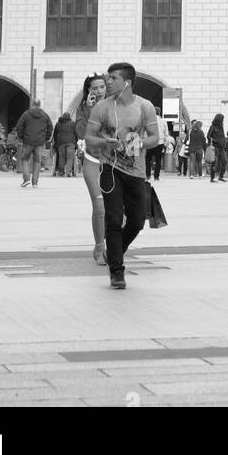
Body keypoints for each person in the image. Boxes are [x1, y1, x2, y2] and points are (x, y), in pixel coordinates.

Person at [83, 62, 159, 290]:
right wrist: (105, 142)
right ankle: (117, 272)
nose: (108, 82)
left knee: (136, 221)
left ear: (126, 82)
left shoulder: (145, 107)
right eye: (108, 77)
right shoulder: (102, 108)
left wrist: (139, 141)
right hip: (110, 170)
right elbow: (88, 138)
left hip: (136, 172)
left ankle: (114, 251)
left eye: (113, 78)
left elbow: (154, 137)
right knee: (113, 219)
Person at [75, 73, 108, 265]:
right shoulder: (83, 108)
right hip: (92, 160)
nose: (98, 91)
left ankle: (113, 244)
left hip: (114, 162)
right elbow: (81, 132)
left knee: (117, 209)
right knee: (100, 207)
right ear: (88, 90)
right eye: (94, 88)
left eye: (102, 87)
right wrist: (88, 109)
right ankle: (99, 247)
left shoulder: (115, 104)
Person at [15, 98, 54, 188]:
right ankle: (35, 183)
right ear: (40, 105)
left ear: (32, 104)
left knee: (24, 159)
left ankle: (26, 179)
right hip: (40, 142)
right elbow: (50, 127)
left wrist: (21, 137)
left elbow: (19, 125)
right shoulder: (45, 115)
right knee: (37, 161)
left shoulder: (26, 114)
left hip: (28, 141)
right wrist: (46, 138)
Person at [145, 113, 166, 182]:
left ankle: (147, 175)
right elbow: (166, 133)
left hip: (150, 141)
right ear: (159, 113)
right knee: (158, 160)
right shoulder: (163, 121)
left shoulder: (148, 120)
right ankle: (156, 177)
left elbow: (145, 131)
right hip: (159, 142)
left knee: (147, 159)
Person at [207, 113, 228, 183]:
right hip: (215, 148)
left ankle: (221, 177)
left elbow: (222, 136)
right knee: (214, 162)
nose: (223, 121)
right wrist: (216, 141)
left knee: (224, 161)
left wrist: (224, 142)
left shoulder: (221, 127)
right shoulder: (213, 127)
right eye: (222, 119)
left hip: (221, 148)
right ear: (219, 119)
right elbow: (208, 136)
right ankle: (212, 178)